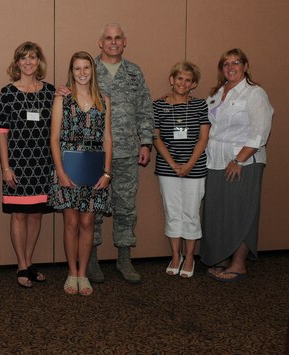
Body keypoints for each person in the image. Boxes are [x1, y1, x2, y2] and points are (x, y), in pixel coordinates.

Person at [59, 24, 154, 283]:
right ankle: (92, 261)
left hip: (126, 153)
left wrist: (146, 142)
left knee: (126, 207)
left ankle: (124, 259)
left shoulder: (134, 73)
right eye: (108, 38)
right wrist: (61, 90)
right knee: (93, 211)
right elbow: (69, 100)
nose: (113, 42)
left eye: (118, 38)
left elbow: (145, 108)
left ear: (125, 41)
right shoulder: (89, 69)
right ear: (100, 42)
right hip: (92, 155)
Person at [201, 48, 273, 282]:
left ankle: (239, 263)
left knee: (242, 212)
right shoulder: (217, 93)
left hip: (242, 162)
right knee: (220, 212)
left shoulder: (254, 93)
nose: (231, 67)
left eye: (236, 62)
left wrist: (238, 159)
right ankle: (223, 256)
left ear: (245, 65)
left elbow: (259, 132)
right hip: (216, 160)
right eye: (226, 64)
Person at [49, 51, 112, 296]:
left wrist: (107, 173)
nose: (82, 73)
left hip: (95, 168)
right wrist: (61, 173)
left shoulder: (104, 99)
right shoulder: (61, 99)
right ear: (71, 72)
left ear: (92, 71)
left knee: (88, 222)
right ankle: (72, 272)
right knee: (71, 222)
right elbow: (54, 139)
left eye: (87, 68)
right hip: (68, 166)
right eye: (78, 68)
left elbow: (107, 138)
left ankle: (83, 273)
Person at [0, 41, 55, 288]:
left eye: (33, 57)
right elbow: (2, 133)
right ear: (17, 62)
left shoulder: (51, 92)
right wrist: (5, 167)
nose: (28, 62)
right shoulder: (7, 93)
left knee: (36, 217)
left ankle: (29, 262)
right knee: (19, 215)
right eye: (24, 58)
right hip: (18, 164)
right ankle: (21, 265)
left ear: (39, 61)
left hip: (43, 164)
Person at [152, 61, 209, 278]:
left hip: (194, 168)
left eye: (188, 80)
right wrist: (173, 164)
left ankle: (190, 257)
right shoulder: (158, 105)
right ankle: (176, 256)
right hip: (168, 169)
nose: (183, 83)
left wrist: (189, 165)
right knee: (173, 212)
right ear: (171, 80)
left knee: (191, 213)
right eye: (179, 78)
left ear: (193, 84)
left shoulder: (200, 105)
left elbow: (203, 138)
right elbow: (156, 137)